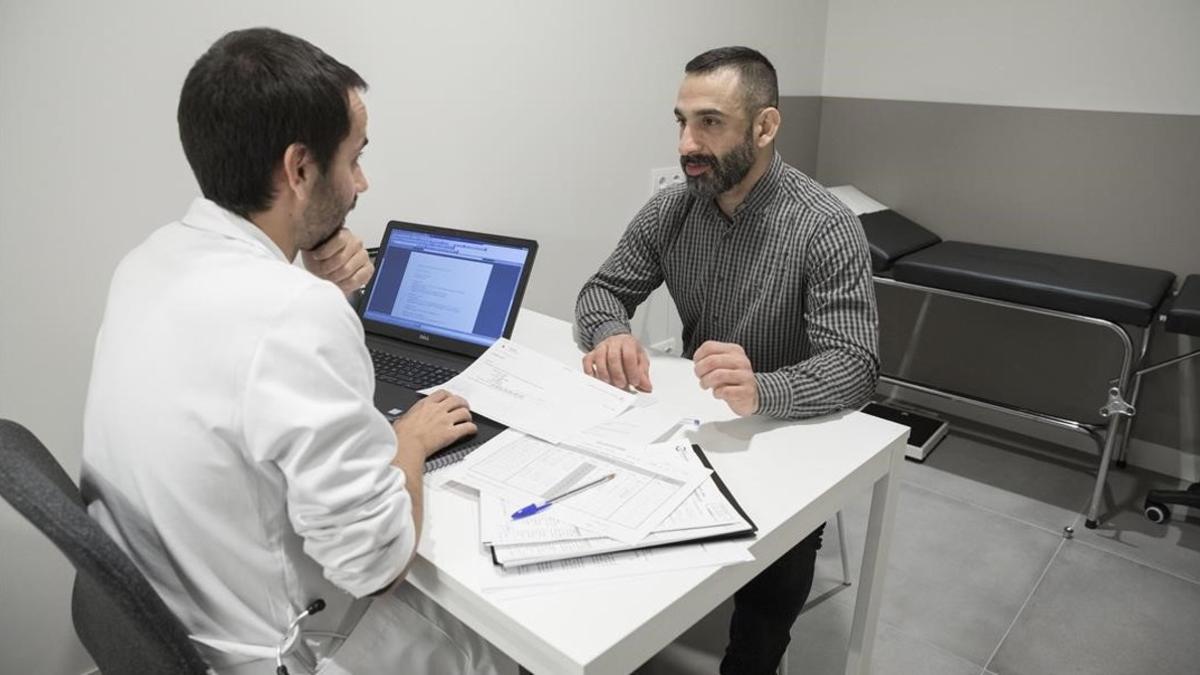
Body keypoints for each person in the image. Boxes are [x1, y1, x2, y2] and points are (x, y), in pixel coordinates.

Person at [81, 28, 505, 674]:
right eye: (355, 157)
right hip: (275, 650)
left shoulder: (147, 261)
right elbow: (376, 565)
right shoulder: (294, 314)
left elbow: (244, 364)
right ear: (299, 169)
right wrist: (410, 440)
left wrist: (307, 277)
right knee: (500, 648)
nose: (362, 182)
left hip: (174, 615)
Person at [575, 46, 879, 674]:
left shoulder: (824, 227)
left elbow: (856, 364)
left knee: (770, 592)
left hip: (791, 440)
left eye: (710, 123)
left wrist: (765, 389)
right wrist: (610, 333)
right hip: (693, 427)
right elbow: (602, 291)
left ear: (764, 127)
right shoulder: (674, 207)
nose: (688, 143)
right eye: (682, 122)